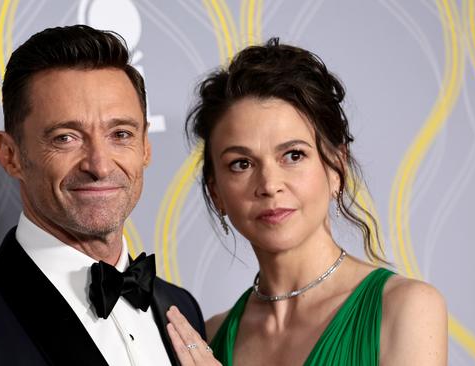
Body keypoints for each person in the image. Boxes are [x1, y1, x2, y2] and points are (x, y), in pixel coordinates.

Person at [0, 25, 205, 366]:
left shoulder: (181, 309)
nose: (99, 165)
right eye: (66, 138)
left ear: (145, 147)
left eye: (120, 134)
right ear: (11, 155)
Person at [166, 38, 447, 365]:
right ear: (216, 193)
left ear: (336, 169)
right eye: (241, 164)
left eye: (293, 155)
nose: (269, 185)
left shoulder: (406, 308)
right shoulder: (209, 337)